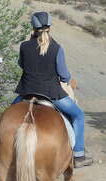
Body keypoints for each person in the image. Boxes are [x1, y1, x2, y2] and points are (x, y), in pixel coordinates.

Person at [12, 11, 93, 168]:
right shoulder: (57, 48)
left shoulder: (24, 46)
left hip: (26, 92)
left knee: (8, 115)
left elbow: (21, 65)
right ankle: (79, 155)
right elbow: (63, 76)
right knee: (78, 116)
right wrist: (66, 79)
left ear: (33, 27)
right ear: (50, 27)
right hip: (51, 94)